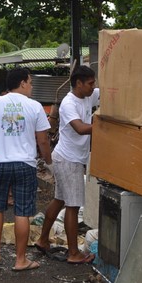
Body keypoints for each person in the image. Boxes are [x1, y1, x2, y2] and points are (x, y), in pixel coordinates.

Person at [0, 67, 52, 272]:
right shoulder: (35, 107)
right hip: (25, 164)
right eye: (30, 82)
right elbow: (42, 140)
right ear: (22, 83)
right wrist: (49, 162)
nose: (31, 86)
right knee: (22, 211)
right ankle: (20, 260)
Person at [36, 65, 99, 264]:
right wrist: (105, 126)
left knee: (60, 200)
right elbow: (80, 128)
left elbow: (111, 91)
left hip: (68, 158)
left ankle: (42, 239)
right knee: (72, 205)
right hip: (68, 159)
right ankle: (73, 253)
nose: (93, 87)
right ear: (78, 83)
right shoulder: (68, 103)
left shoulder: (89, 95)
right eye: (90, 83)